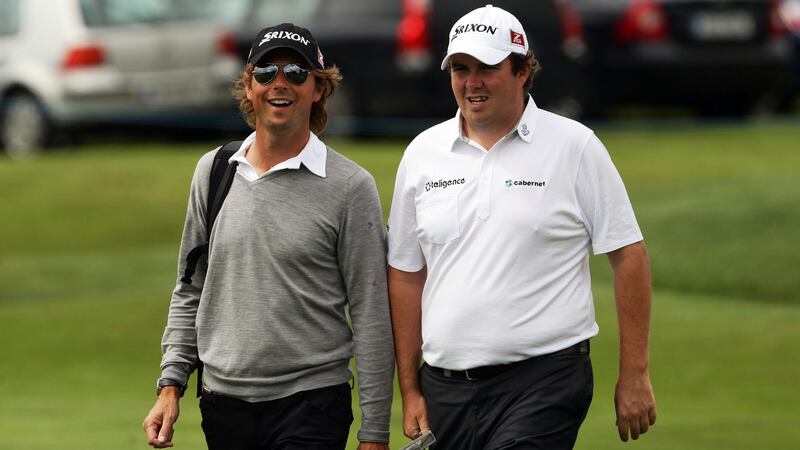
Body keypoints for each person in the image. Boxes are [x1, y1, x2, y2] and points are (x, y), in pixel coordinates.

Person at [387, 5, 656, 449]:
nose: (471, 81)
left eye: (487, 67)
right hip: (445, 388)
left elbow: (628, 254)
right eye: (460, 68)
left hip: (544, 379)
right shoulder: (422, 153)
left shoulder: (574, 146)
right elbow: (405, 274)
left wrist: (635, 374)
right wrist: (411, 389)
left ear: (523, 70)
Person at [142, 23, 394, 450]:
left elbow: (371, 313)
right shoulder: (215, 170)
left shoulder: (351, 186)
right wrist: (170, 385)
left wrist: (375, 431)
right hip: (222, 403)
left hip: (311, 404)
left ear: (318, 89)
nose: (280, 84)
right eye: (265, 73)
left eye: (296, 73)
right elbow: (190, 289)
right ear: (248, 85)